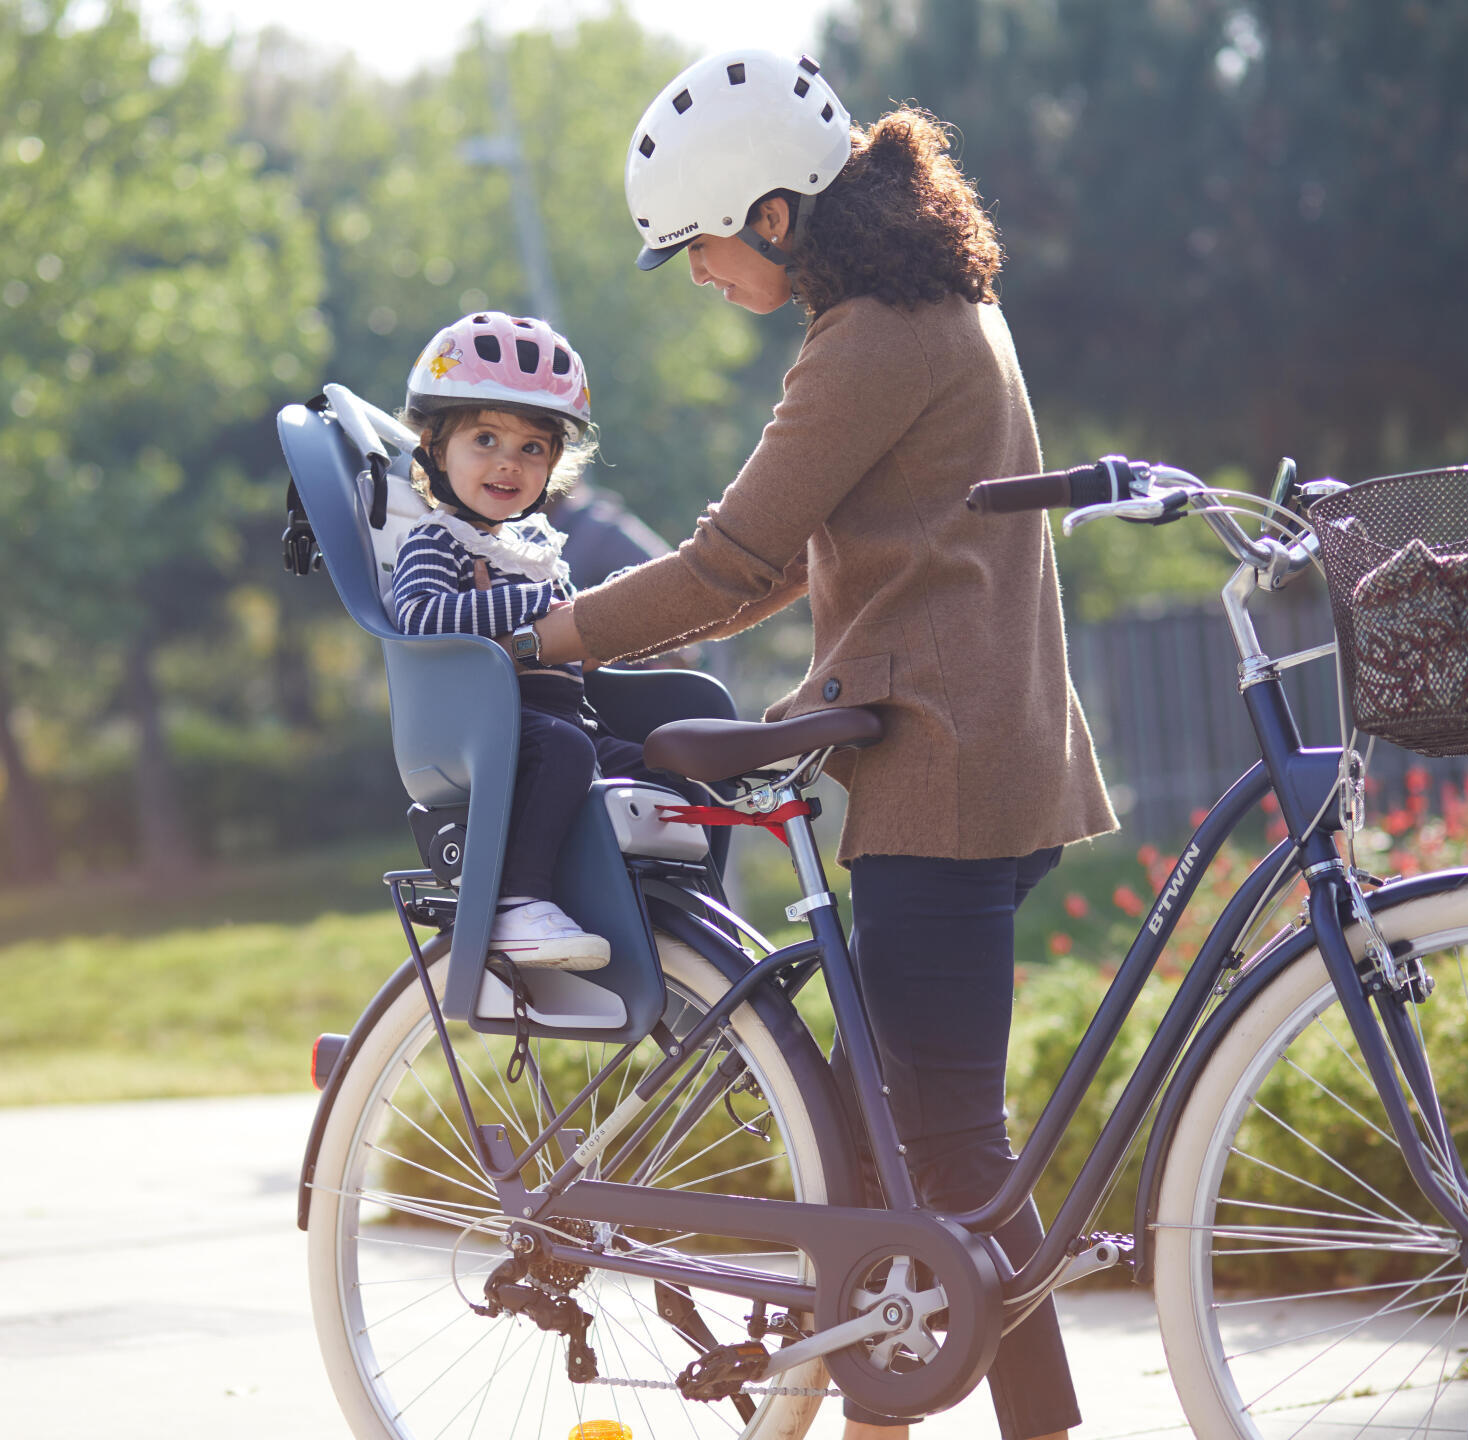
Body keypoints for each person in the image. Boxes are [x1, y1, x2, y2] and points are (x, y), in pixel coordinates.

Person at [529, 50, 1117, 1440]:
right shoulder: (943, 306)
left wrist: (547, 640)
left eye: (699, 244)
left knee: (949, 1145)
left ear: (775, 216)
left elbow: (733, 556)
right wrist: (678, 604)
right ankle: (949, 1418)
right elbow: (827, 546)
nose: (697, 274)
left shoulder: (871, 339)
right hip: (1003, 757)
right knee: (928, 1141)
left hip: (940, 772)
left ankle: (926, 1417)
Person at [393, 311, 701, 970]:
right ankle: (516, 902)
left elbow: (570, 633)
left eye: (533, 448)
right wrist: (533, 603)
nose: (509, 463)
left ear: (555, 464)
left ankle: (674, 913)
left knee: (665, 764)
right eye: (485, 439)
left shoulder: (535, 549)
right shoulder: (438, 540)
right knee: (561, 749)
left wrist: (620, 625)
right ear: (433, 448)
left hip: (569, 719)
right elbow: (418, 617)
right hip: (493, 726)